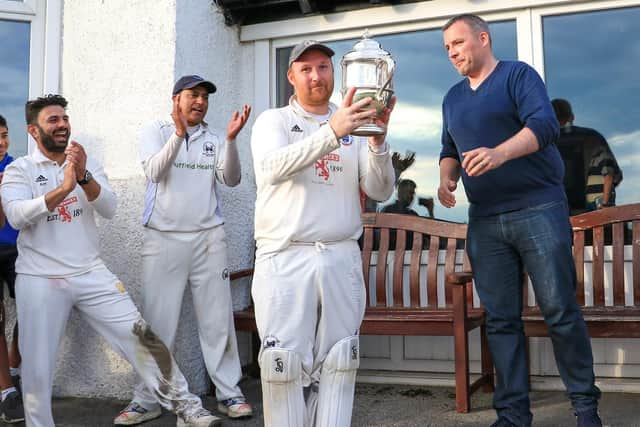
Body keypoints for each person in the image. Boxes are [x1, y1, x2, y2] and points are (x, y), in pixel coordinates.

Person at [0, 94, 223, 427]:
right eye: (53, 120)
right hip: (40, 277)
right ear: (33, 131)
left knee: (141, 336)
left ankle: (186, 406)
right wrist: (61, 189)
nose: (62, 125)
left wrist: (84, 176)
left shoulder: (82, 162)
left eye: (64, 118)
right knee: (37, 370)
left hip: (89, 271)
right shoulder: (21, 170)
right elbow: (17, 217)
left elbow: (109, 208)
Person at [438, 14, 602, 427]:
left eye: (458, 43)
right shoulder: (452, 98)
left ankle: (585, 409)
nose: (452, 52)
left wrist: (499, 153)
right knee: (501, 321)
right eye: (446, 48)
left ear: (483, 38)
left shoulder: (517, 76)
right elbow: (449, 148)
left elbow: (544, 126)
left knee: (560, 312)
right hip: (486, 222)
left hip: (539, 210)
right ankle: (512, 417)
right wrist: (446, 179)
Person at [250, 40, 395, 426]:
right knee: (282, 365)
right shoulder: (274, 121)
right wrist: (332, 131)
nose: (316, 76)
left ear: (335, 72)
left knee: (340, 361)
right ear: (291, 76)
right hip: (285, 255)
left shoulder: (354, 123)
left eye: (323, 67)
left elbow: (380, 190)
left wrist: (377, 141)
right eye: (306, 68)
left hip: (339, 254)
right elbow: (270, 169)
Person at [115, 75, 253, 425]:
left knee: (216, 319)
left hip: (209, 238)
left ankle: (229, 393)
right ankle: (147, 398)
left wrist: (232, 141)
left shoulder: (213, 138)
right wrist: (178, 135)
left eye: (205, 96)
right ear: (175, 98)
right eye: (194, 95)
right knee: (157, 323)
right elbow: (154, 172)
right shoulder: (155, 130)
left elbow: (232, 179)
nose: (201, 102)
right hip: (163, 237)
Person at [551, 98, 622, 214]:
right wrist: (605, 206)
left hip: (564, 210)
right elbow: (609, 173)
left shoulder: (548, 144)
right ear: (572, 116)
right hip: (596, 205)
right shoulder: (592, 137)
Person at [0, 115, 23, 423]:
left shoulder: (17, 168)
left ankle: (14, 368)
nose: (2, 142)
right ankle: (6, 391)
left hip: (18, 249)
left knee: (29, 311)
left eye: (4, 135)